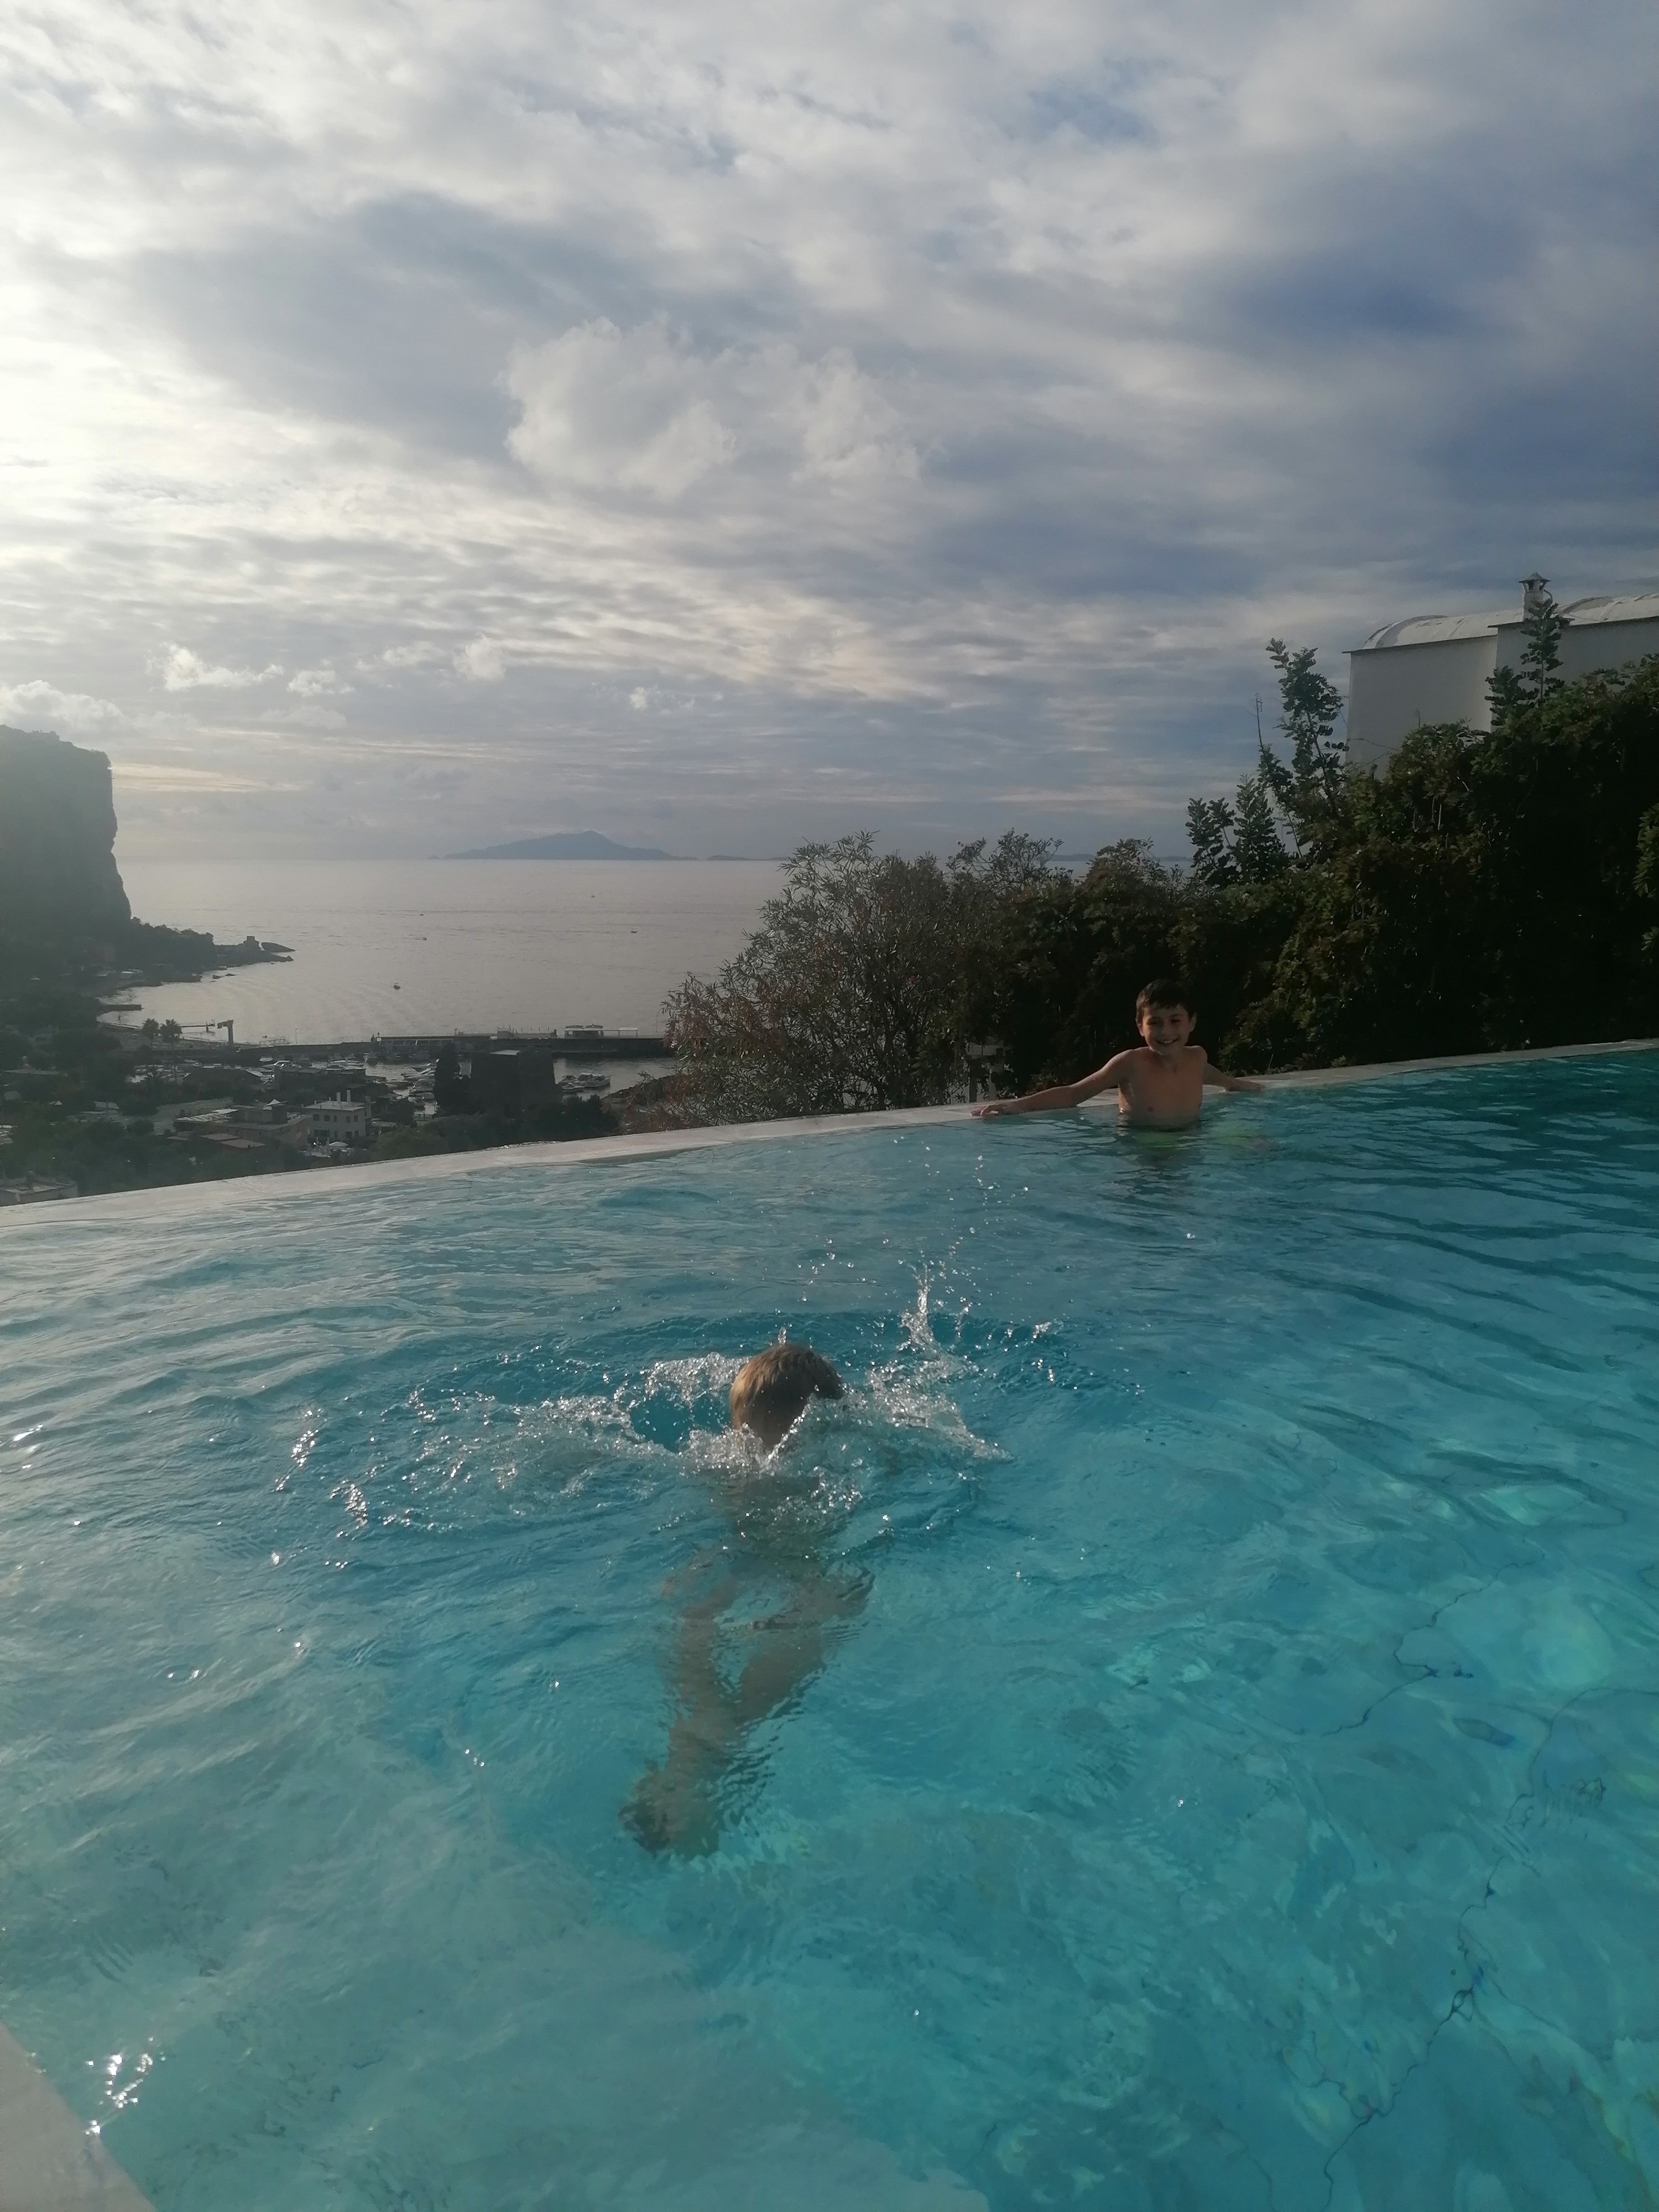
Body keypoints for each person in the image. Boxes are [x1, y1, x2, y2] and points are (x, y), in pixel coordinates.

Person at [622, 1343, 863, 1855]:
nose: (743, 1444)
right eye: (739, 1431)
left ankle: (688, 1773)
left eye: (754, 1433)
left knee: (777, 1631)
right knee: (698, 1626)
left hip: (793, 1568)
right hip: (761, 1562)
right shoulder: (757, 1466)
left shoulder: (819, 1466)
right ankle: (692, 1773)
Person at [973, 978, 1264, 1130]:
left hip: (1194, 1135)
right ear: (1140, 1026)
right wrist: (1019, 1105)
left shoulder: (1196, 1057)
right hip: (1146, 1142)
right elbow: (1074, 1094)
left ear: (1192, 1023)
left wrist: (1235, 1084)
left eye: (1175, 1021)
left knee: (1258, 1146)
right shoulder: (1131, 1064)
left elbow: (1210, 1074)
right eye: (1155, 1023)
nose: (1166, 1032)